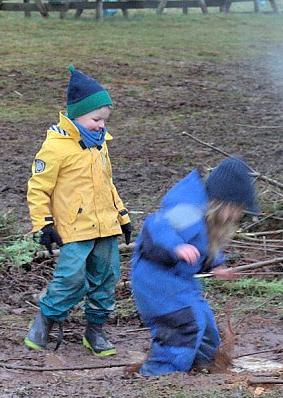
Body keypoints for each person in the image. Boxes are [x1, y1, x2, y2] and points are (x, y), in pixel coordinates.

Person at [24, 65, 132, 357]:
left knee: (107, 277)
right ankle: (46, 318)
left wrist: (122, 216)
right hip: (74, 228)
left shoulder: (100, 146)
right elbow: (38, 189)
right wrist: (43, 225)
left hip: (106, 226)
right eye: (96, 119)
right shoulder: (56, 148)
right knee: (71, 278)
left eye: (104, 120)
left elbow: (108, 184)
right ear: (76, 117)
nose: (101, 125)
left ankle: (95, 331)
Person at [130, 157, 258, 376]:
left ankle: (200, 369)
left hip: (181, 281)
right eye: (236, 208)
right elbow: (156, 227)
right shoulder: (189, 210)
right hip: (157, 281)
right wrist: (175, 246)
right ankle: (159, 375)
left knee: (206, 329)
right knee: (183, 326)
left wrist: (215, 265)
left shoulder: (206, 220)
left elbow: (202, 246)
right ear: (223, 203)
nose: (237, 214)